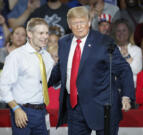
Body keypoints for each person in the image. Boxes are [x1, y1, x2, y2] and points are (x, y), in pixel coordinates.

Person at [48, 6, 135, 135]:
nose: (79, 26)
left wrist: (126, 96)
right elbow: (61, 67)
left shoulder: (104, 42)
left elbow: (123, 69)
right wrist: (43, 84)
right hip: (75, 107)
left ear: (89, 22)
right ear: (69, 25)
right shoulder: (64, 42)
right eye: (74, 23)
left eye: (82, 22)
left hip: (103, 107)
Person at [0, 18, 54, 135]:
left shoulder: (47, 57)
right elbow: (2, 87)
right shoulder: (16, 56)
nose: (45, 36)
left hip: (42, 112)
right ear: (30, 34)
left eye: (47, 33)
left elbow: (50, 82)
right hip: (22, 112)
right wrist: (16, 109)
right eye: (41, 33)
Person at [112, 18, 143, 88]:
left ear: (129, 32)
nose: (121, 33)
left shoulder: (136, 50)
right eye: (118, 31)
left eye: (124, 30)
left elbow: (136, 70)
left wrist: (127, 56)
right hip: (114, 89)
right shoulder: (111, 49)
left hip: (132, 88)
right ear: (115, 33)